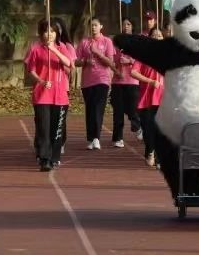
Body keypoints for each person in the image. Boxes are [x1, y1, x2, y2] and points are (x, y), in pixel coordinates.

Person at [25, 19, 75, 172]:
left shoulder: (62, 47)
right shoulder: (36, 49)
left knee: (56, 129)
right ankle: (44, 159)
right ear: (41, 33)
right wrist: (41, 81)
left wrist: (53, 50)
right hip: (42, 95)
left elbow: (68, 63)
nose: (50, 34)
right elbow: (31, 70)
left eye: (52, 31)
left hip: (60, 96)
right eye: (46, 31)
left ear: (57, 33)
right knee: (43, 128)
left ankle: (54, 156)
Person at [75, 19, 115, 150]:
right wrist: (86, 61)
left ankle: (96, 137)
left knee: (98, 108)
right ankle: (91, 138)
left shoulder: (107, 41)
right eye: (91, 25)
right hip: (87, 82)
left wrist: (97, 52)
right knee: (90, 109)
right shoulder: (84, 42)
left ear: (101, 26)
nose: (93, 28)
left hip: (102, 79)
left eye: (96, 25)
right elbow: (75, 61)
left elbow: (111, 62)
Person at [135, 27, 166, 167]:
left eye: (159, 36)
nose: (157, 38)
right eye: (154, 35)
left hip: (163, 97)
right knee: (148, 128)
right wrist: (150, 81)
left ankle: (158, 157)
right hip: (147, 97)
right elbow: (134, 72)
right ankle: (150, 150)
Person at [110, 20, 142, 148]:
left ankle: (138, 126)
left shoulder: (137, 41)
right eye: (124, 24)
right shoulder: (116, 42)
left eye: (128, 24)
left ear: (132, 26)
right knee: (118, 111)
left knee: (132, 109)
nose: (126, 26)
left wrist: (130, 61)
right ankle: (118, 138)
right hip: (118, 81)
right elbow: (110, 60)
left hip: (132, 80)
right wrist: (116, 70)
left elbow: (141, 59)